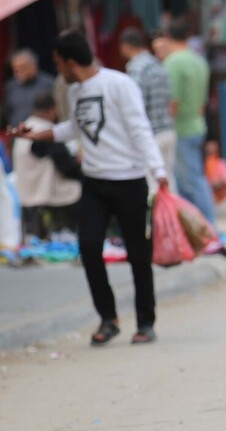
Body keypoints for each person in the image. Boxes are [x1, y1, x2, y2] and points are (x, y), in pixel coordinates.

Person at [11, 30, 167, 345]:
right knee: (89, 246)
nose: (58, 71)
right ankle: (108, 317)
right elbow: (77, 127)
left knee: (137, 253)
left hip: (129, 179)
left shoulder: (119, 84)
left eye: (58, 64)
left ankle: (145, 322)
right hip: (95, 181)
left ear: (70, 62)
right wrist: (41, 134)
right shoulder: (75, 92)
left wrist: (159, 171)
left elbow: (139, 128)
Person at [161, 18, 217, 224]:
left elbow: (172, 102)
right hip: (197, 124)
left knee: (191, 183)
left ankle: (209, 226)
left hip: (181, 128)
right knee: (193, 180)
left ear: (168, 37)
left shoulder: (172, 63)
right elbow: (203, 101)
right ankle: (199, 227)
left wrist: (167, 127)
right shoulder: (199, 60)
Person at [12, 93, 81, 239]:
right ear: (53, 109)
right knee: (84, 187)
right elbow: (67, 167)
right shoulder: (46, 132)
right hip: (44, 189)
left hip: (25, 189)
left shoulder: (25, 126)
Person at [120, 28, 177, 195]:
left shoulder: (136, 68)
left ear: (126, 46)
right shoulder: (158, 64)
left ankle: (157, 221)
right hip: (168, 130)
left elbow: (136, 105)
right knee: (170, 183)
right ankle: (173, 220)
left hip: (151, 135)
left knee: (152, 186)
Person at [4, 49, 55, 129]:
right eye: (15, 69)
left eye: (22, 67)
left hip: (41, 134)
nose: (18, 72)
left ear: (34, 66)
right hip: (16, 133)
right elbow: (7, 111)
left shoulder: (48, 84)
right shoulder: (11, 86)